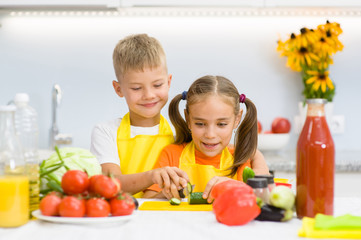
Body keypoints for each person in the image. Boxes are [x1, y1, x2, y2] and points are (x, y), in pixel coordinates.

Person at [90, 34, 188, 198]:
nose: (149, 95)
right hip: (120, 217)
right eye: (136, 88)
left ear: (169, 82)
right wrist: (152, 176)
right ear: (118, 89)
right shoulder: (106, 131)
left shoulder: (180, 132)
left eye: (157, 85)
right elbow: (110, 183)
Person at [143, 75, 270, 201]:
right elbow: (146, 200)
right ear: (188, 119)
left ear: (237, 119)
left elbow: (259, 199)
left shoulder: (240, 159)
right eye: (200, 124)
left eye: (221, 124)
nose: (210, 134)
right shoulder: (171, 155)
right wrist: (165, 194)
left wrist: (237, 187)